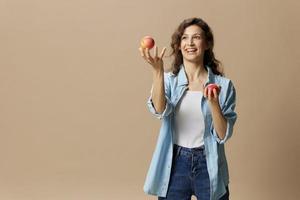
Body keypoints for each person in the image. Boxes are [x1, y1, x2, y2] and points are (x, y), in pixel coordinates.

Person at [138, 17, 237, 200]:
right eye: (184, 38)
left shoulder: (224, 85)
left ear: (207, 44)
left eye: (196, 37)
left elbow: (222, 135)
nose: (190, 43)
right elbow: (160, 110)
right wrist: (158, 72)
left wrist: (214, 103)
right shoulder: (169, 80)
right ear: (179, 44)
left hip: (209, 163)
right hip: (175, 163)